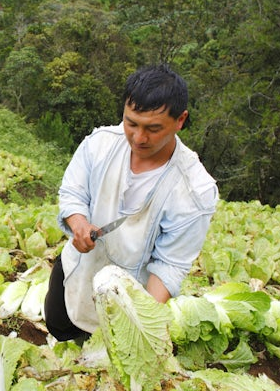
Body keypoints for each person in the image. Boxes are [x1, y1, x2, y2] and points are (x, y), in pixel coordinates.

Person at [44, 64, 219, 342]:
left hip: (130, 293)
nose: (139, 138)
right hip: (79, 267)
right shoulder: (100, 144)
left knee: (108, 350)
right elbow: (72, 192)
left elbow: (169, 266)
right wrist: (78, 222)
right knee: (59, 324)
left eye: (153, 128)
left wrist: (141, 323)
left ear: (180, 120)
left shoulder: (195, 190)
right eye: (131, 123)